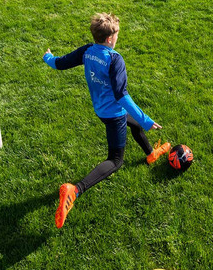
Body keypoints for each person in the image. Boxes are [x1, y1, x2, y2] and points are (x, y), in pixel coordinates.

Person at [43, 13, 170, 228]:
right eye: (117, 34)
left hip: (100, 108)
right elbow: (122, 96)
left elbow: (60, 64)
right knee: (116, 160)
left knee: (134, 125)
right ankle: (75, 190)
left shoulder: (87, 51)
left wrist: (48, 58)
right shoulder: (114, 59)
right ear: (110, 38)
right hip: (113, 113)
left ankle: (150, 154)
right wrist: (147, 120)